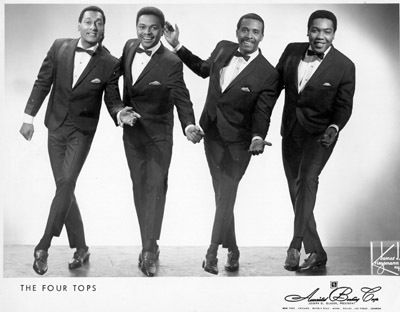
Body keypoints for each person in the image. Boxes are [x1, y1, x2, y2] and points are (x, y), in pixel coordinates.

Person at [20, 6, 135, 275]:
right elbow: (42, 81)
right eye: (88, 22)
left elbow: (112, 98)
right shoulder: (59, 47)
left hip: (81, 132)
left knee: (67, 182)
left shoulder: (110, 62)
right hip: (55, 126)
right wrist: (28, 117)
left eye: (98, 23)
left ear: (104, 28)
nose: (93, 27)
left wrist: (120, 113)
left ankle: (43, 246)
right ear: (78, 25)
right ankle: (81, 247)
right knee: (65, 187)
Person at [164, 13, 279, 274]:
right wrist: (177, 45)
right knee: (223, 197)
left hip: (241, 144)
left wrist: (258, 137)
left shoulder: (268, 73)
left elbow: (263, 112)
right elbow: (203, 69)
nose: (249, 36)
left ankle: (212, 251)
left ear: (262, 36)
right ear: (237, 31)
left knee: (226, 194)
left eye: (256, 32)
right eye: (245, 30)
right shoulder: (223, 48)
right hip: (212, 135)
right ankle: (234, 250)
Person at [119, 6, 202, 277]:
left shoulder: (170, 61)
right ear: (136, 28)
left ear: (161, 29)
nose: (147, 32)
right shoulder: (130, 47)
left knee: (155, 189)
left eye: (153, 28)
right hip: (132, 135)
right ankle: (148, 243)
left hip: (159, 137)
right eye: (142, 27)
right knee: (138, 188)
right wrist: (118, 110)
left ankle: (149, 249)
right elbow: (112, 77)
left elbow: (182, 96)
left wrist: (189, 124)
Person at [276, 10, 355, 272]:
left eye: (327, 31)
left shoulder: (345, 65)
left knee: (307, 181)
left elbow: (344, 106)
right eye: (316, 30)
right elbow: (271, 87)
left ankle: (296, 245)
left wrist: (335, 126)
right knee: (295, 191)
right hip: (290, 131)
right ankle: (317, 252)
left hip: (321, 134)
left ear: (334, 34)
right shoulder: (291, 51)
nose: (320, 36)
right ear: (308, 30)